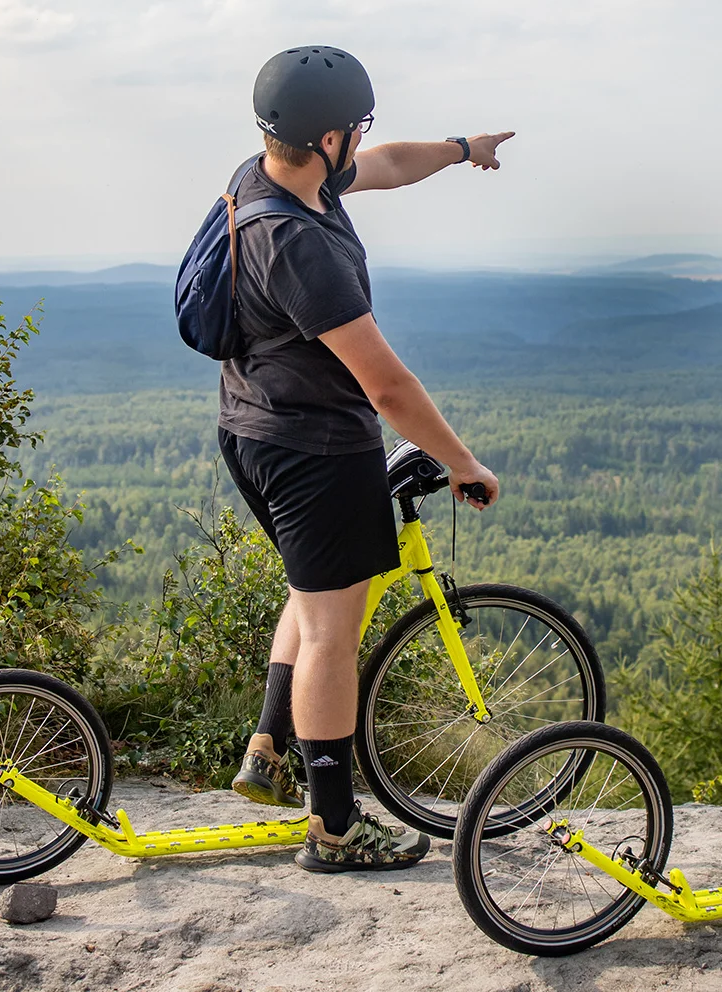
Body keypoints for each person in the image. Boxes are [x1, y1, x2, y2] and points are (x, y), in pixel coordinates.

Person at [216, 46, 507, 873]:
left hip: (254, 429)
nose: (363, 143)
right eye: (357, 128)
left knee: (314, 598)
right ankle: (336, 830)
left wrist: (462, 148)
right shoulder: (297, 242)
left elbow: (384, 166)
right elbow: (386, 384)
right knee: (333, 638)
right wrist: (462, 463)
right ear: (329, 133)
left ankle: (266, 752)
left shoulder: (266, 177)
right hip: (314, 448)